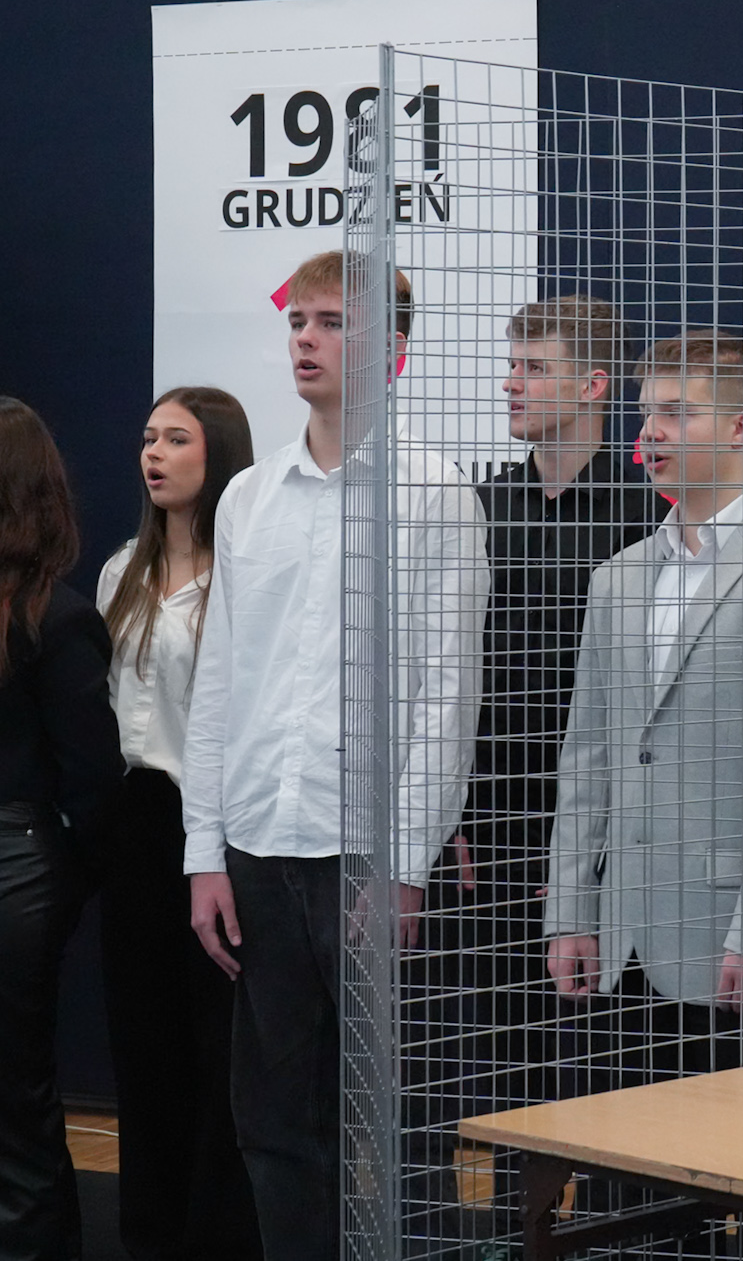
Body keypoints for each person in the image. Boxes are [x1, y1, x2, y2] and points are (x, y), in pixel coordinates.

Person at [181, 251, 487, 1261]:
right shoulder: (247, 498)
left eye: (330, 322)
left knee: (403, 1131)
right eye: (296, 322)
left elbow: (447, 694)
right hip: (260, 849)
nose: (304, 340)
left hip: (367, 859)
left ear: (389, 349)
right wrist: (204, 852)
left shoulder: (436, 494)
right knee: (275, 1126)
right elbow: (220, 682)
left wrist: (405, 862)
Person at [543, 330, 743, 1077]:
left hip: (742, 956)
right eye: (646, 413)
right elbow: (587, 759)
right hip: (621, 948)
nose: (650, 432)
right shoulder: (616, 579)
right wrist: (569, 912)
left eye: (677, 413)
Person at [445, 294, 658, 1110]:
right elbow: (455, 678)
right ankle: (510, 1201)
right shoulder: (477, 511)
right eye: (511, 365)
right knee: (504, 1066)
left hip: (608, 830)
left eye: (534, 368)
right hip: (492, 827)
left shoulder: (649, 517)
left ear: (594, 384)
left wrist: (599, 848)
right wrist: (452, 814)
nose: (510, 384)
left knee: (610, 1075)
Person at [95, 386, 261, 1261]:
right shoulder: (120, 570)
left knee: (216, 1048)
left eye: (176, 439)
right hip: (136, 820)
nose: (153, 454)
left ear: (217, 453)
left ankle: (217, 1239)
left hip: (218, 827)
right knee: (142, 1042)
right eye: (148, 437)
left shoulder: (242, 578)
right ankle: (149, 1237)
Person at [0, 397, 124, 1261]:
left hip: (20, 869)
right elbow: (93, 783)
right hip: (27, 871)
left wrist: (56, 874)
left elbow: (95, 783)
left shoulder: (59, 619)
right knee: (18, 1097)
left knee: (15, 1098)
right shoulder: (58, 615)